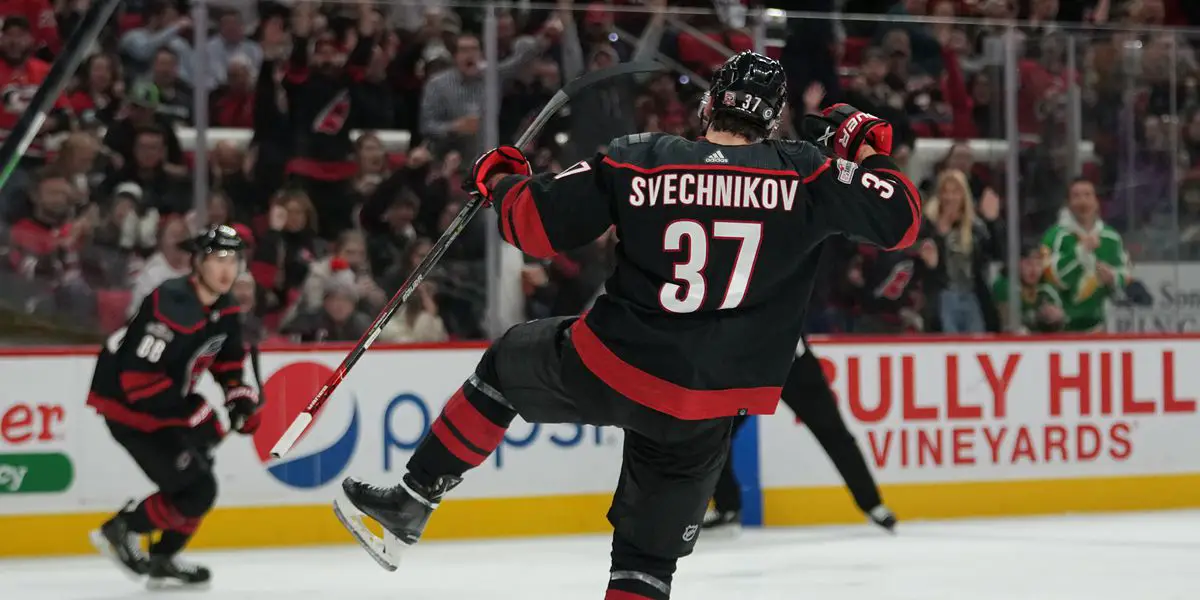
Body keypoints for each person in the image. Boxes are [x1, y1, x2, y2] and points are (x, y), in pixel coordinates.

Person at [334, 52, 921, 599]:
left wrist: (502, 182)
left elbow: (531, 227)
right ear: (772, 121)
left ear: (710, 104)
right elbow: (900, 220)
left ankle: (412, 501)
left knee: (507, 364)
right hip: (708, 404)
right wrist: (865, 147)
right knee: (644, 563)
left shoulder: (639, 156)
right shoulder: (807, 174)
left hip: (615, 364)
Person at [86, 225, 260, 588]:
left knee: (198, 478)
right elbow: (138, 383)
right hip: (127, 407)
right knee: (197, 488)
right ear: (198, 262)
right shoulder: (172, 303)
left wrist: (238, 398)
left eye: (233, 260)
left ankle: (162, 558)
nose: (227, 270)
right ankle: (122, 529)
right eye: (217, 260)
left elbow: (227, 361)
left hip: (163, 400)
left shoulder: (225, 307)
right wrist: (193, 414)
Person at [703, 337, 897, 535]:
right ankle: (727, 507)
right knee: (716, 434)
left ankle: (872, 504)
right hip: (748, 367)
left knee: (832, 431)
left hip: (794, 364)